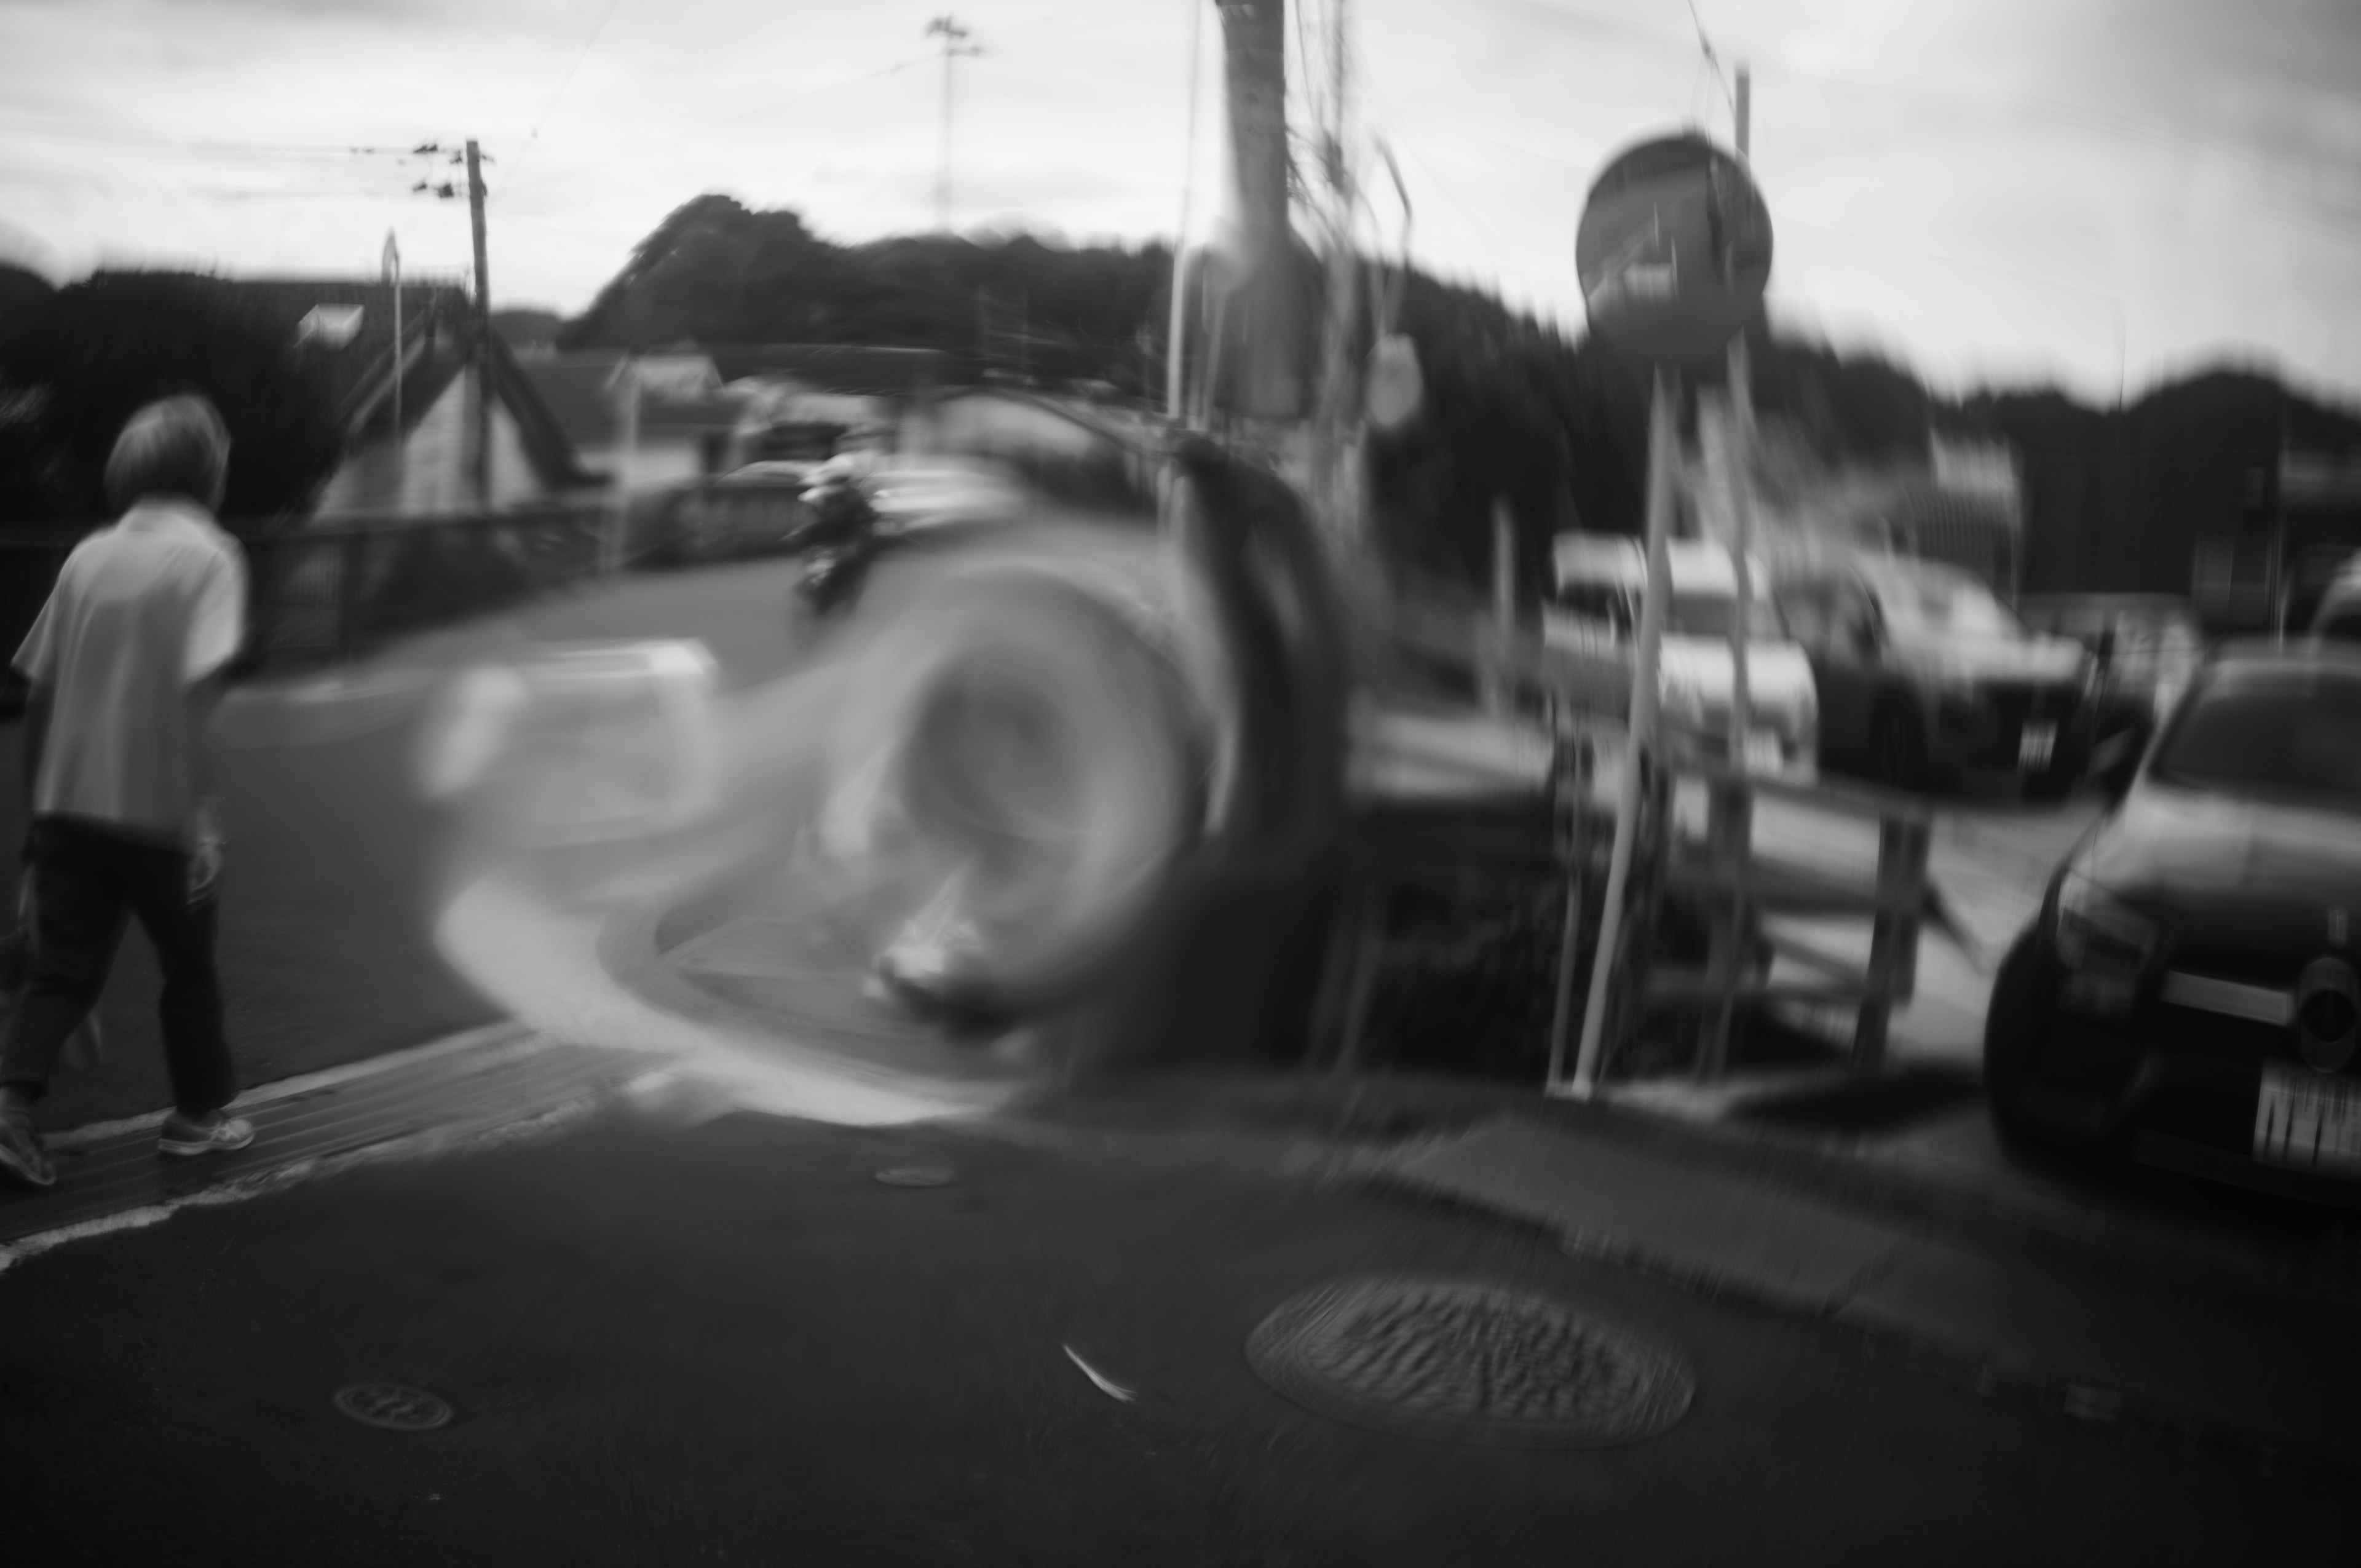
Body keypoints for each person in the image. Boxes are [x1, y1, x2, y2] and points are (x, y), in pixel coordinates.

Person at [0, 395, 250, 1190]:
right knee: (188, 966)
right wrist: (203, 815)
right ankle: (197, 1119)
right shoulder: (212, 557)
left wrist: (39, 807)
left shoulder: (86, 557)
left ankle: (8, 1110)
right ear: (208, 470)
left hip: (69, 805)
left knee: (61, 970)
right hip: (158, 813)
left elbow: (37, 690)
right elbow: (197, 693)